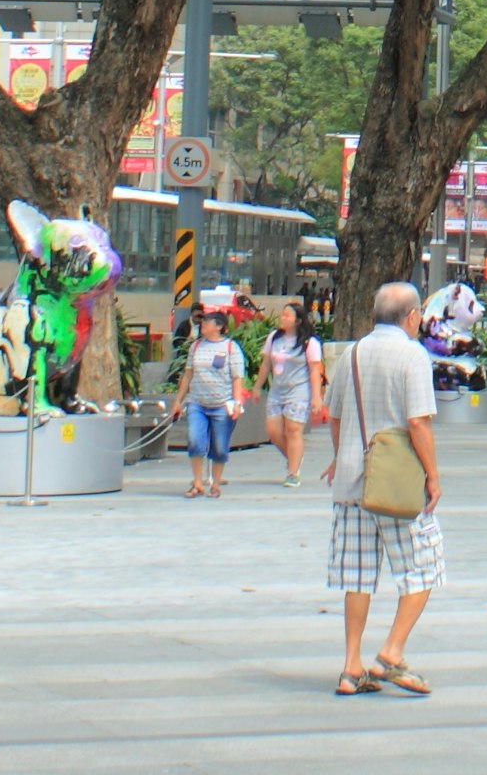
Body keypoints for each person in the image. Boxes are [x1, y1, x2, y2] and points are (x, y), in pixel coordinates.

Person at [328, 280, 444, 699]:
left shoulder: (353, 352)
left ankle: (350, 667)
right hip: (396, 485)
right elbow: (419, 422)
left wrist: (341, 456)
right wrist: (433, 474)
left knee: (357, 577)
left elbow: (335, 414)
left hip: (352, 480)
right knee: (424, 567)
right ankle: (391, 653)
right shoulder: (413, 355)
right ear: (411, 316)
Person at [179, 305, 248, 496]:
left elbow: (237, 378)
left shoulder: (230, 348)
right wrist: (178, 401)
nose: (203, 324)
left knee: (219, 445)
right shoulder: (196, 346)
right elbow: (187, 375)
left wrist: (236, 403)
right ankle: (197, 481)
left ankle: (215, 483)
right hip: (197, 402)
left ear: (219, 326)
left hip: (221, 403)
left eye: (207, 322)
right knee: (195, 440)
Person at [259, 300, 327, 486]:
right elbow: (266, 364)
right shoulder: (274, 338)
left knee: (293, 430)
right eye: (282, 314)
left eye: (287, 315)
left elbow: (314, 371)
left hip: (299, 390)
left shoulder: (309, 343)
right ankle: (294, 457)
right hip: (277, 390)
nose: (283, 318)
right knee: (273, 431)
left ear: (298, 320)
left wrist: (316, 397)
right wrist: (257, 386)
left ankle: (293, 473)